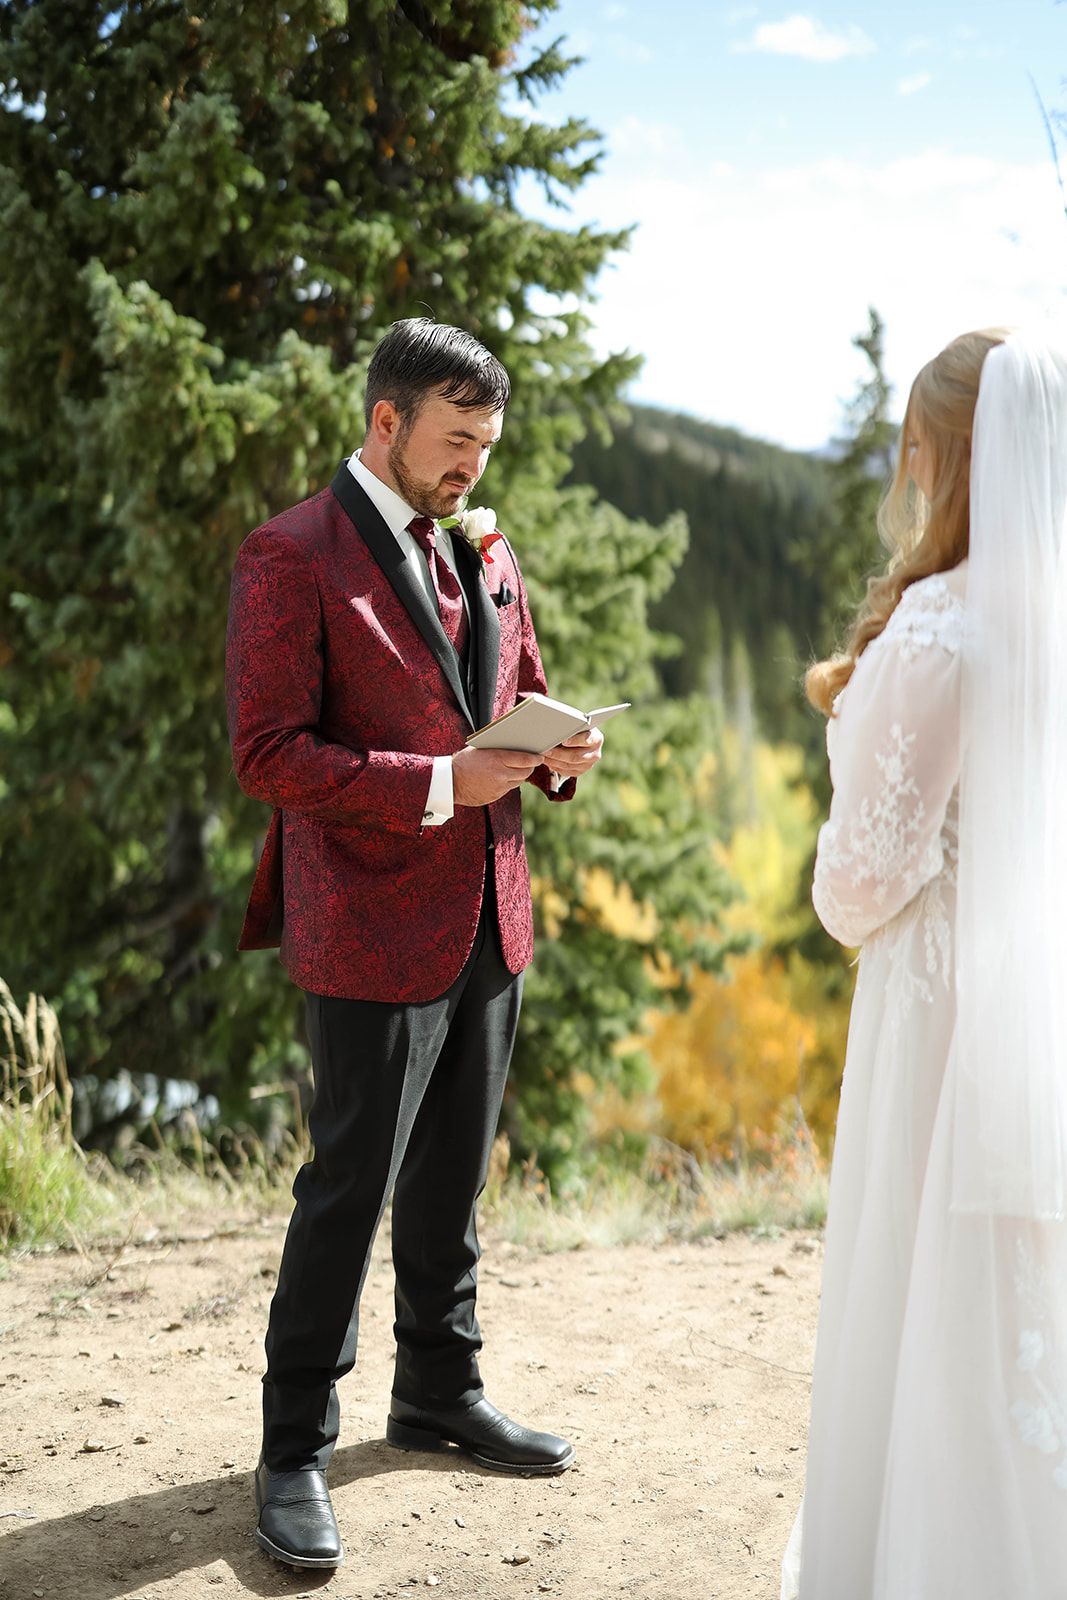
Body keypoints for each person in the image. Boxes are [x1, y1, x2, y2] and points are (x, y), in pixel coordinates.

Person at [226, 318, 603, 1572]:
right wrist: (441, 782)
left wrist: (557, 755)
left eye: (486, 446)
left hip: (490, 915)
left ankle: (436, 1391)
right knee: (346, 1192)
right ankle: (293, 1450)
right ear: (384, 422)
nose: (472, 472)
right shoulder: (288, 555)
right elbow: (268, 753)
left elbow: (514, 693)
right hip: (370, 928)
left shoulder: (486, 546)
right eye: (454, 443)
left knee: (451, 1183)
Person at [781, 328, 1067, 1598]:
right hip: (1036, 993)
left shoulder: (939, 632)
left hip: (938, 1009)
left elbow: (859, 881)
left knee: (923, 1276)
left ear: (943, 456)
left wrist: (834, 883)